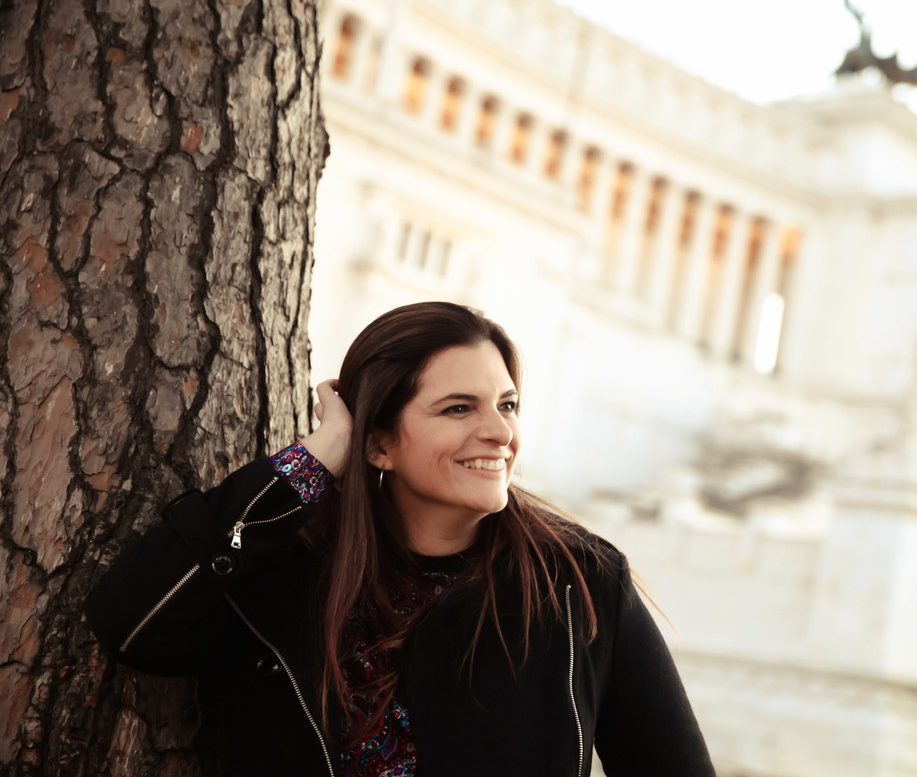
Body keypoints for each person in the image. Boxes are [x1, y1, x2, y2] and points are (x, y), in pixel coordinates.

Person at [86, 301, 715, 777]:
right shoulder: (290, 568)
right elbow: (133, 623)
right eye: (459, 409)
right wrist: (315, 459)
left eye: (508, 404)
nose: (500, 431)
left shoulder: (578, 583)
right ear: (379, 442)